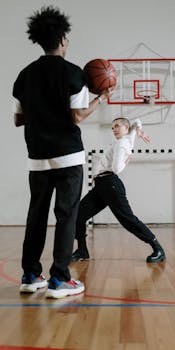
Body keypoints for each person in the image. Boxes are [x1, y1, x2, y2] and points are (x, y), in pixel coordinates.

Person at [13, 5, 113, 299]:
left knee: (36, 214)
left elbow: (18, 119)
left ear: (40, 40)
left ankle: (31, 275)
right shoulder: (74, 74)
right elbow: (77, 116)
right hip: (68, 156)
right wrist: (100, 99)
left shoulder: (24, 76)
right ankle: (59, 279)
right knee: (66, 215)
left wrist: (40, 110)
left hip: (37, 157)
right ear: (64, 39)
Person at [71, 117, 166, 263]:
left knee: (128, 220)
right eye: (112, 127)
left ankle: (157, 248)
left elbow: (116, 169)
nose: (114, 129)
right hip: (102, 186)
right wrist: (139, 129)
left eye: (117, 126)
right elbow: (137, 120)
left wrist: (126, 161)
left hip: (110, 184)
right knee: (79, 215)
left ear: (125, 128)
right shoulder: (128, 137)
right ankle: (82, 251)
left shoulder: (122, 143)